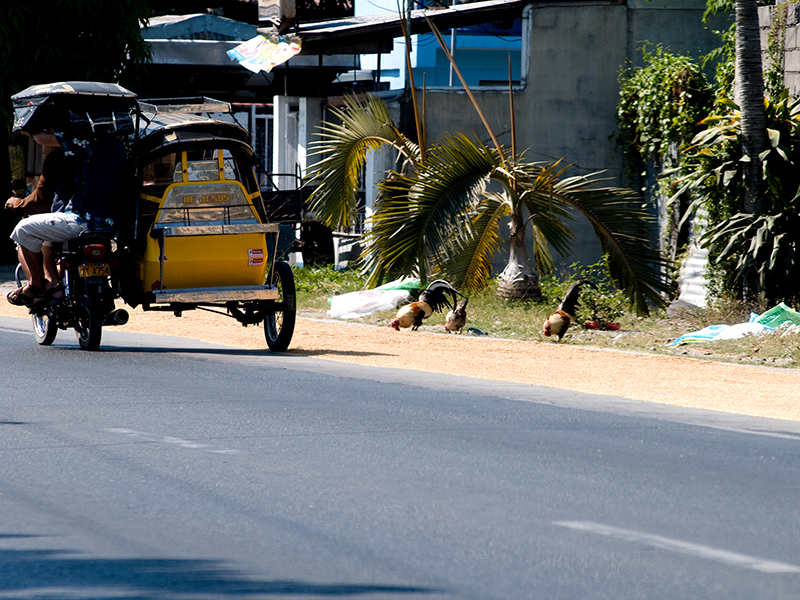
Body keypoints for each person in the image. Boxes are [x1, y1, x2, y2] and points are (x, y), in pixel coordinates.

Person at [7, 128, 127, 306]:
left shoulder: (85, 142)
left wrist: (27, 131)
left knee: (23, 229)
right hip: (111, 224)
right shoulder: (121, 148)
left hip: (82, 221)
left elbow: (42, 138)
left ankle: (36, 284)